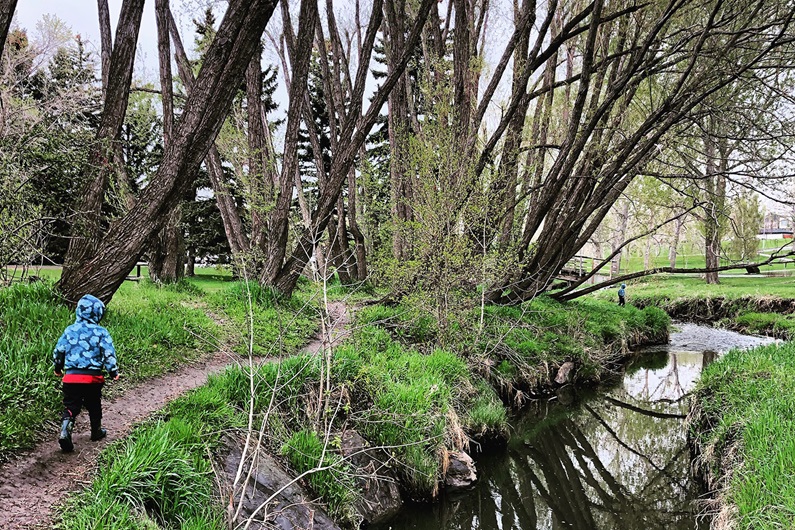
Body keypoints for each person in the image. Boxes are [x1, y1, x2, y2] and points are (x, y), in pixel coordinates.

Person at [53, 294, 119, 452]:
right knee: (94, 403)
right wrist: (113, 371)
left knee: (71, 405)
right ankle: (96, 431)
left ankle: (65, 430)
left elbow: (59, 350)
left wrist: (58, 367)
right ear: (98, 314)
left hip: (71, 377)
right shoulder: (101, 332)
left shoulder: (69, 330)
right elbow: (108, 354)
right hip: (92, 378)